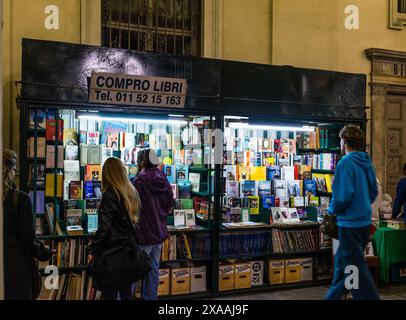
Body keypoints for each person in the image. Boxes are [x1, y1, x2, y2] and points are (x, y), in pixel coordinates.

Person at [325, 125, 380, 300]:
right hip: (364, 222)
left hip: (349, 224)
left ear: (344, 142)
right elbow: (373, 191)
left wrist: (330, 210)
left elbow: (342, 197)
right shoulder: (367, 163)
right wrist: (362, 205)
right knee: (346, 269)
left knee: (355, 270)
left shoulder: (345, 163)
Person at [91, 157, 141, 300]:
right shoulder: (131, 192)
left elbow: (104, 227)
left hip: (112, 252)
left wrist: (94, 249)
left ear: (107, 174)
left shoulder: (110, 194)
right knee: (126, 292)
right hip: (128, 250)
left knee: (109, 293)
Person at [3, 149, 51, 300]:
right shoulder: (20, 199)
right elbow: (28, 239)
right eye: (14, 168)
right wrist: (44, 252)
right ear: (8, 169)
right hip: (16, 271)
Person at [131, 148, 173, 300]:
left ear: (142, 160)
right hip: (159, 232)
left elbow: (132, 206)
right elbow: (169, 203)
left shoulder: (138, 181)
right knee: (153, 268)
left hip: (144, 233)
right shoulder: (163, 178)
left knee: (133, 269)